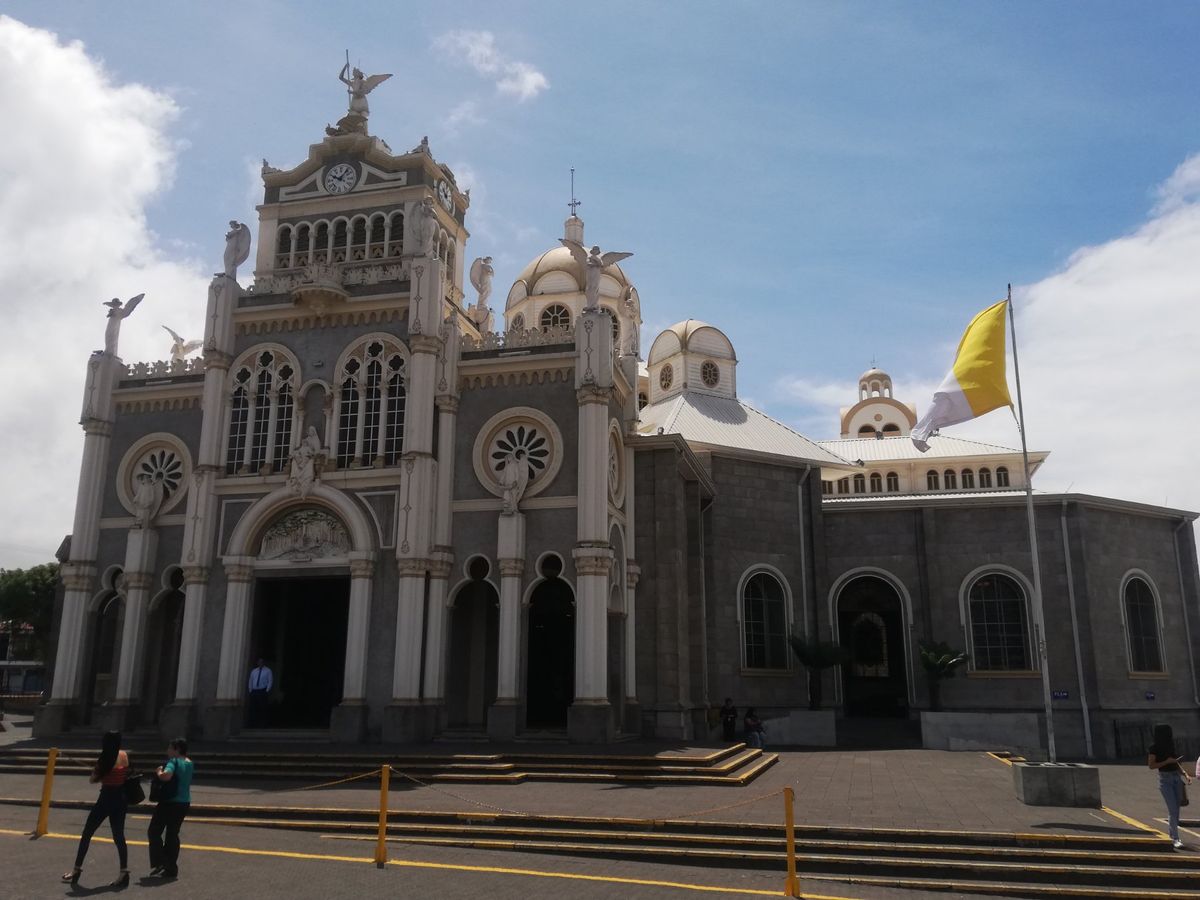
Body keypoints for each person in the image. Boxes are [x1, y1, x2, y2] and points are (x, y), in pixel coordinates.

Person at [61, 730, 130, 886]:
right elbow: (123, 774)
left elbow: (93, 780)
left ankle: (77, 868)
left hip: (106, 799)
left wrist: (97, 773)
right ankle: (124, 871)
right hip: (120, 799)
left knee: (87, 833)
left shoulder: (104, 758)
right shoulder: (124, 755)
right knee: (119, 836)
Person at [148, 738, 193, 879]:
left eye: (170, 748)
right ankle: (171, 867)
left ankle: (161, 860)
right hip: (184, 802)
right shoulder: (190, 763)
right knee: (172, 834)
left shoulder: (173, 762)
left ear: (177, 749)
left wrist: (159, 772)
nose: (167, 750)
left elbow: (166, 777)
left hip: (170, 802)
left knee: (154, 831)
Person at [1149, 722, 1192, 849]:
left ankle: (1174, 835)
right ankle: (1175, 838)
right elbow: (1151, 765)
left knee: (1177, 808)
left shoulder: (1170, 745)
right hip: (1165, 779)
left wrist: (1185, 773)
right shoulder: (1154, 748)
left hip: (1176, 777)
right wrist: (1167, 761)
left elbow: (1176, 762)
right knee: (1173, 809)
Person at [247, 657, 273, 727]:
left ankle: (262, 724)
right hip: (254, 691)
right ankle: (252, 724)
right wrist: (250, 690)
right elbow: (250, 680)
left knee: (263, 708)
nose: (260, 663)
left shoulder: (268, 671)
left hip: (262, 691)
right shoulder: (254, 671)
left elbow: (270, 681)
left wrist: (267, 690)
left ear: (264, 663)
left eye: (262, 662)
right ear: (257, 663)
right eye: (259, 662)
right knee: (253, 708)